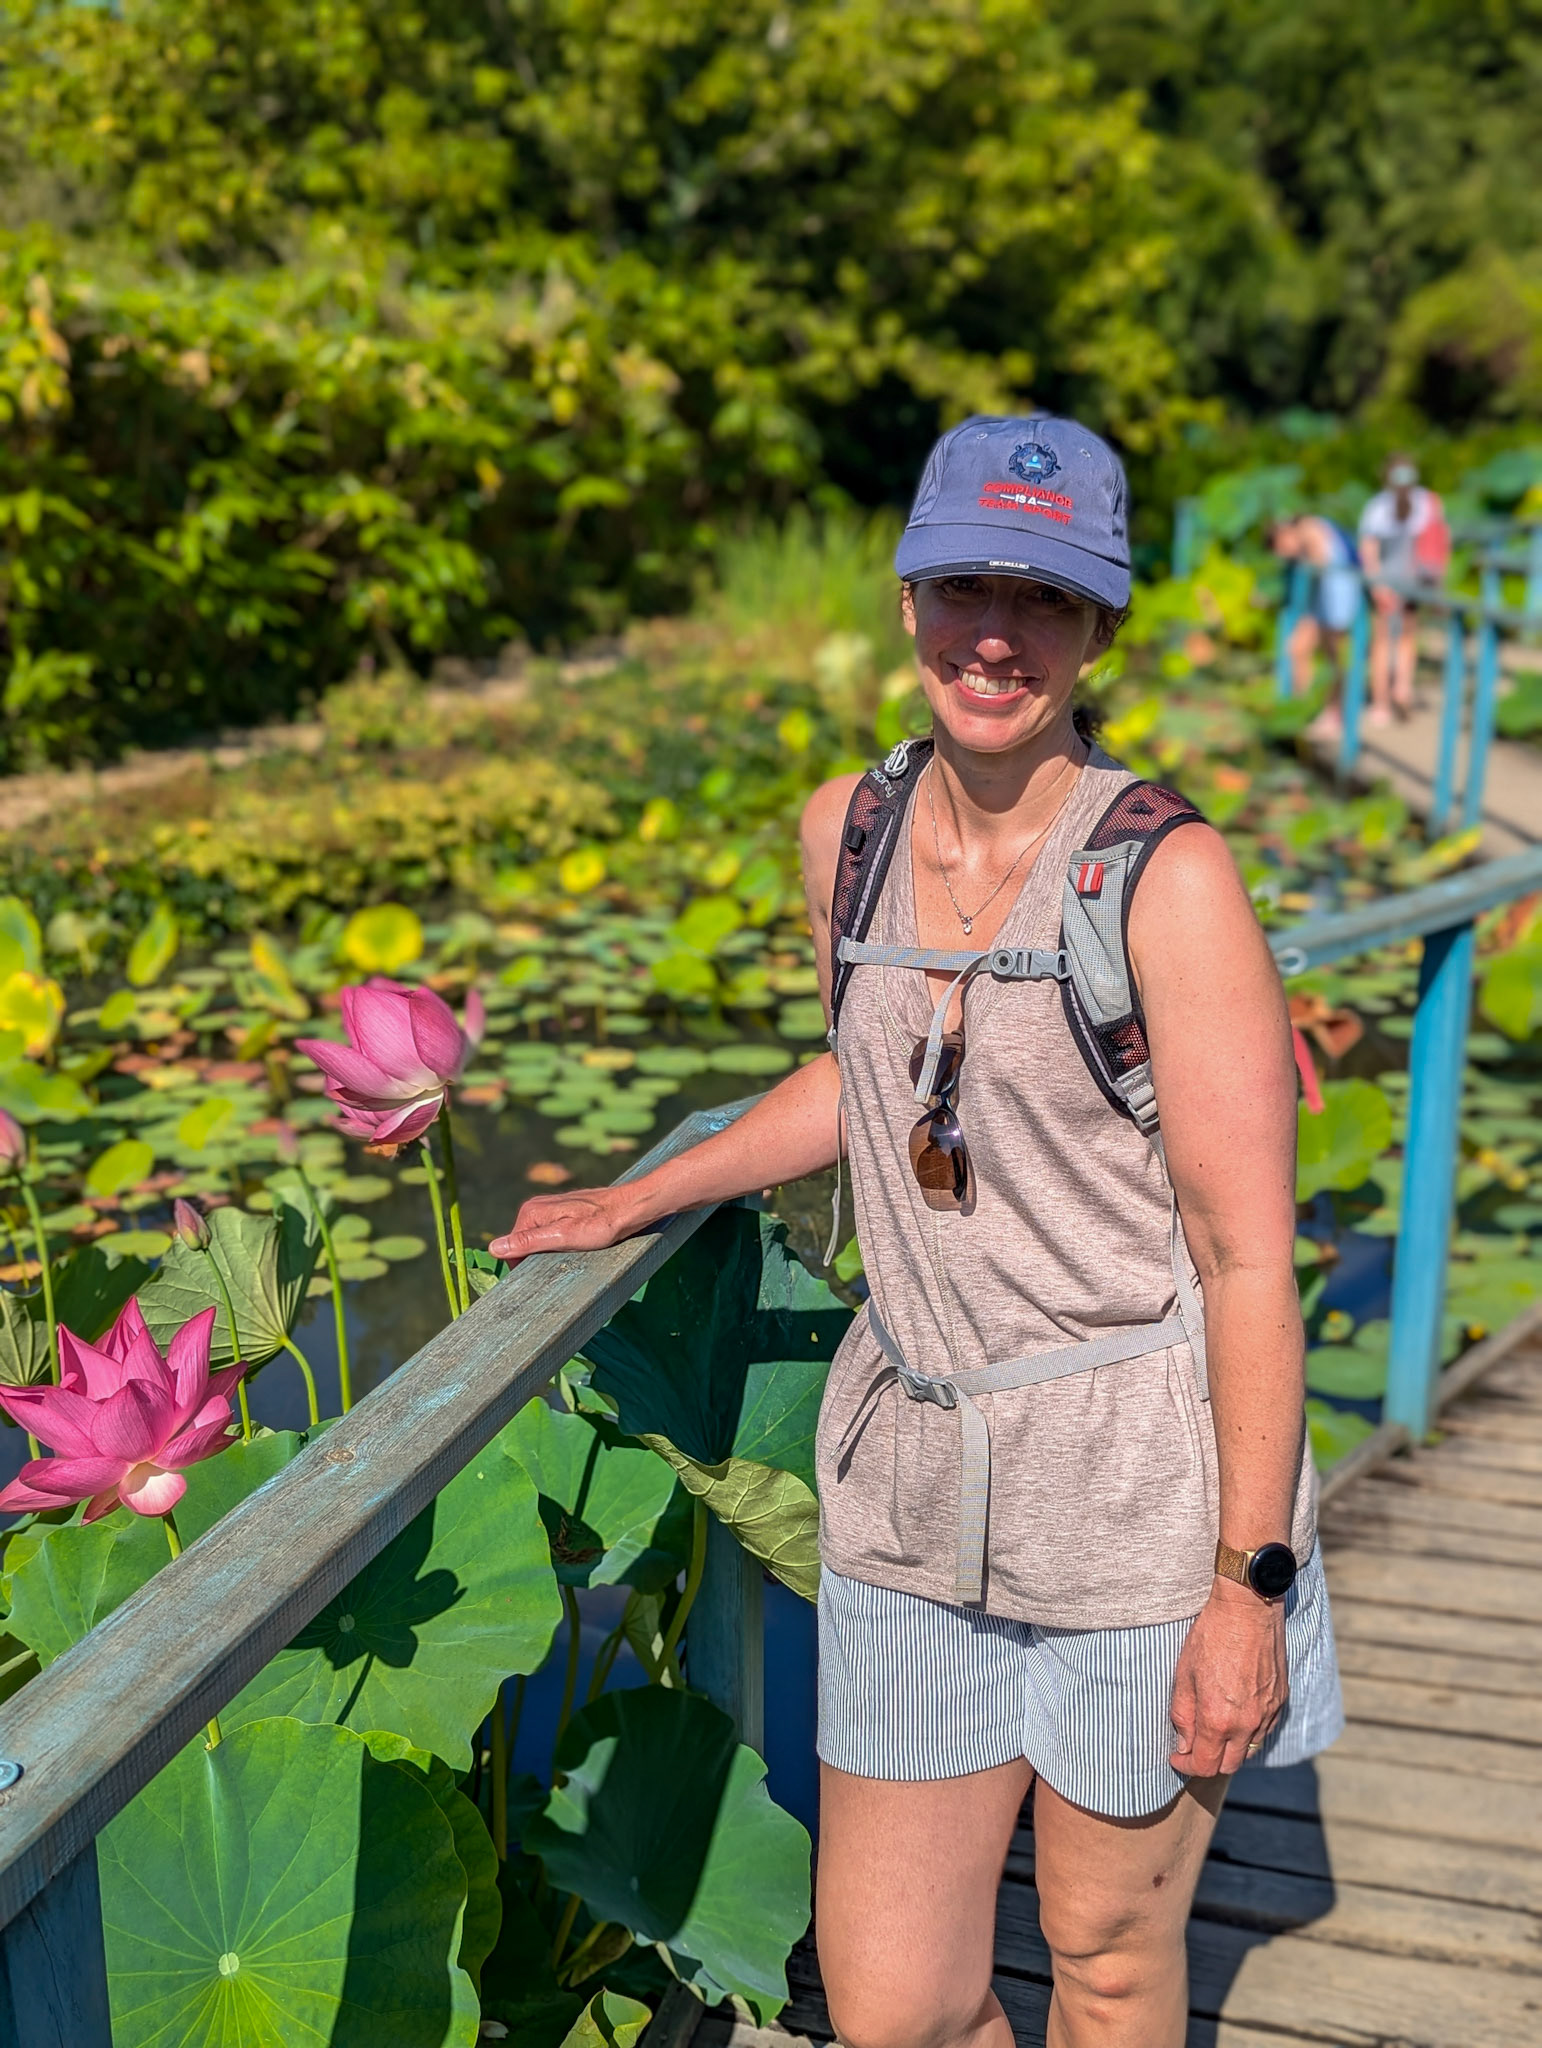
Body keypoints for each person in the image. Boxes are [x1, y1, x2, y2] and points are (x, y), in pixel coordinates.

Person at [491, 414, 1342, 2048]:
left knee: (1097, 1952)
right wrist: (651, 1187)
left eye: (1044, 593)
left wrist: (1246, 1586)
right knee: (891, 2005)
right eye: (964, 583)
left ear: (1099, 625)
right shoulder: (848, 831)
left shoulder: (1163, 880)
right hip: (909, 1487)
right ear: (907, 596)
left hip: (1133, 1505)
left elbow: (1246, 1257)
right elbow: (868, 1075)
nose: (995, 632)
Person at [1358, 457, 1450, 721]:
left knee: (1384, 641)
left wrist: (1376, 584)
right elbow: (1441, 544)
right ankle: (1402, 688)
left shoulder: (1377, 506)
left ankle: (1382, 703)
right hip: (1415, 579)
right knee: (1407, 637)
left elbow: (1369, 549)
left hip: (1389, 579)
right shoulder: (1428, 501)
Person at [1268, 511, 1362, 737]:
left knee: (1333, 658)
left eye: (1281, 547)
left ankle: (1329, 711)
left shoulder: (1308, 529)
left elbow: (1319, 560)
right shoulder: (1306, 529)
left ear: (1283, 535)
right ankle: (1308, 707)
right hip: (1325, 597)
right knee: (1299, 649)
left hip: (1337, 597)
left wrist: (1300, 558)